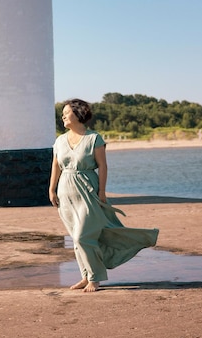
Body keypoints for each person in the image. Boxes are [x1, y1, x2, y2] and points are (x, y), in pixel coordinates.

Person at [49, 98, 159, 293]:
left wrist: (102, 191)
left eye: (67, 112)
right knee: (76, 238)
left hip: (88, 191)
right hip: (66, 193)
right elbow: (56, 165)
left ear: (78, 114)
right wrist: (52, 188)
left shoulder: (94, 139)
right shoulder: (59, 140)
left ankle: (95, 278)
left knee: (84, 236)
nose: (63, 116)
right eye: (63, 113)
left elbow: (103, 166)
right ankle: (85, 275)